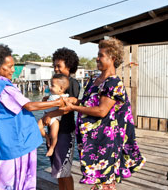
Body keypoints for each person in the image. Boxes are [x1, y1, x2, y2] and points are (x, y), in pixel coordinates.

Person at [61, 38, 146, 190]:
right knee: (97, 180)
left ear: (112, 58)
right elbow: (90, 102)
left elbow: (102, 111)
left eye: (101, 55)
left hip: (106, 142)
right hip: (92, 140)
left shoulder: (114, 83)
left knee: (105, 181)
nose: (97, 58)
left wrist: (74, 109)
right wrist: (77, 101)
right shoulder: (95, 79)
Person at [0, 44, 64, 190]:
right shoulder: (5, 89)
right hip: (15, 145)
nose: (13, 70)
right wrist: (58, 102)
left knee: (4, 181)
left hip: (10, 142)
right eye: (10, 66)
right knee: (14, 182)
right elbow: (29, 106)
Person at [42, 47, 80, 190]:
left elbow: (71, 104)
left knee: (65, 171)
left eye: (59, 66)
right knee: (57, 170)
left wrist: (49, 114)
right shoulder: (56, 83)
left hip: (65, 132)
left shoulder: (72, 83)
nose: (56, 69)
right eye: (55, 66)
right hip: (53, 131)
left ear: (69, 66)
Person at [38, 74, 70, 157]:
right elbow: (46, 101)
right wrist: (45, 99)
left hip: (55, 119)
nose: (50, 87)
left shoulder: (63, 97)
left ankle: (52, 148)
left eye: (52, 85)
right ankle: (47, 138)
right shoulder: (51, 96)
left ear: (61, 89)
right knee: (38, 127)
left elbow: (65, 106)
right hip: (45, 115)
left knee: (54, 134)